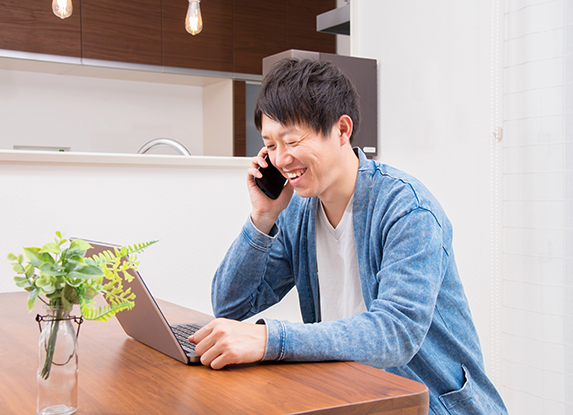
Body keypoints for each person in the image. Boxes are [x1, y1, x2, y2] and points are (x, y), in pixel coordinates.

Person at [189, 58, 508, 415]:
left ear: (342, 131)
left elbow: (395, 333)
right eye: (270, 144)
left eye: (292, 140)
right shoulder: (296, 211)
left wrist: (271, 339)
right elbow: (231, 305)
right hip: (352, 397)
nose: (281, 158)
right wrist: (263, 217)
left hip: (430, 406)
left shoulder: (408, 210)